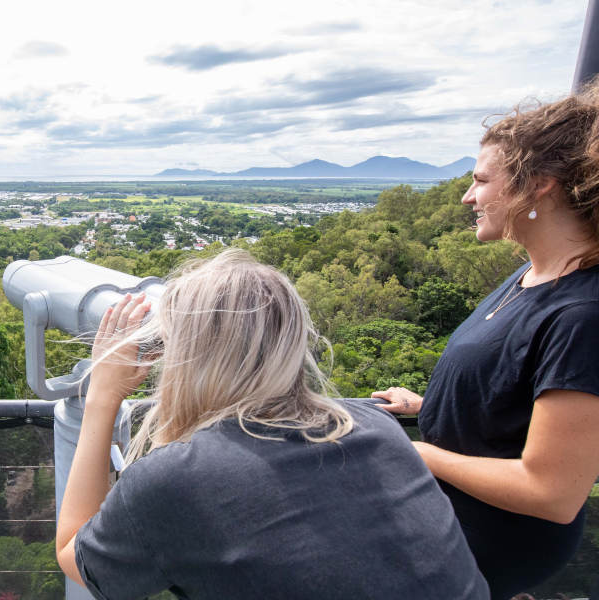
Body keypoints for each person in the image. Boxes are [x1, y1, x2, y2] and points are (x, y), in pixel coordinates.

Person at [55, 249, 488, 599]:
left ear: (190, 359)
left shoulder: (178, 478)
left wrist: (102, 398)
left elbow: (74, 553)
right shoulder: (377, 427)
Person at [373, 84, 599, 599]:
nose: (467, 197)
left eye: (480, 181)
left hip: (491, 540)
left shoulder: (584, 315)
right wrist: (427, 407)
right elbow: (517, 405)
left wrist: (415, 452)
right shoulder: (532, 276)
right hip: (453, 515)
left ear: (538, 185)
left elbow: (552, 493)